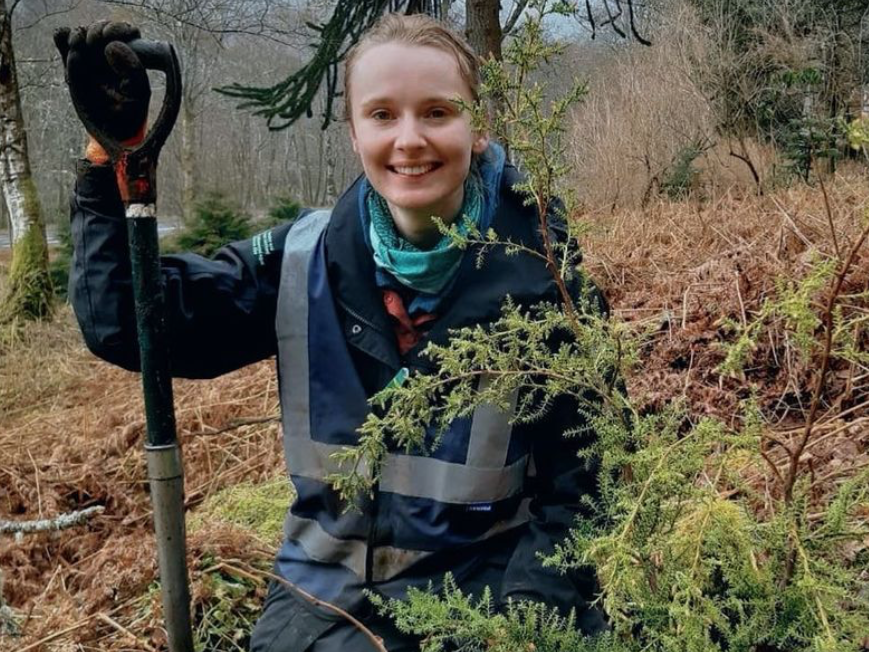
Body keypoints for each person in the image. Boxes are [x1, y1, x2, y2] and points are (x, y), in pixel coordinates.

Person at [55, 14, 607, 651]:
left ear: (477, 127)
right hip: (320, 607)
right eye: (381, 115)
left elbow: (583, 490)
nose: (409, 140)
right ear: (352, 132)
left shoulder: (546, 283)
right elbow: (127, 323)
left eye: (437, 112)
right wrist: (110, 160)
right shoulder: (299, 260)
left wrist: (527, 621)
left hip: (482, 603)